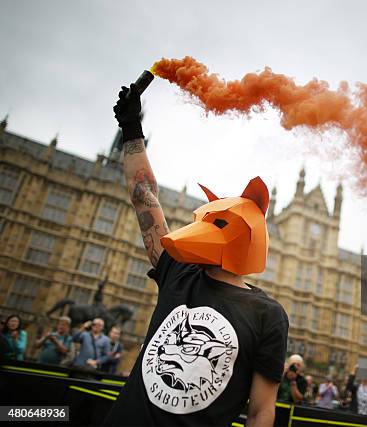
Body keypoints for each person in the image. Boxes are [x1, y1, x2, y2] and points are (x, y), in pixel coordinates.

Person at [103, 80, 288, 427]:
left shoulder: (269, 315)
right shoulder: (177, 271)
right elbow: (144, 195)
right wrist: (132, 129)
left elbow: (262, 410)